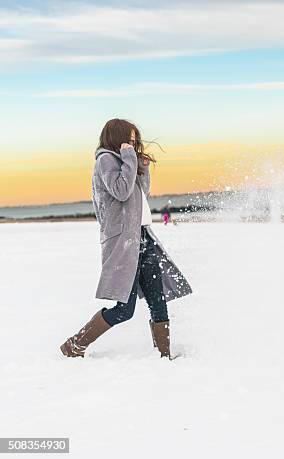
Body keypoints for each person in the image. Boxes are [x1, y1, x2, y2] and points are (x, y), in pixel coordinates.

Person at [60, 119, 193, 359]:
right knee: (124, 310)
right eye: (129, 139)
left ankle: (164, 356)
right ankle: (75, 344)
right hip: (123, 242)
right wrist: (130, 159)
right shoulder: (106, 160)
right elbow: (121, 191)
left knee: (157, 299)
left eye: (135, 140)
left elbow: (140, 194)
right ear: (117, 137)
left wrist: (141, 167)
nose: (133, 143)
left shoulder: (125, 161)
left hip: (143, 237)